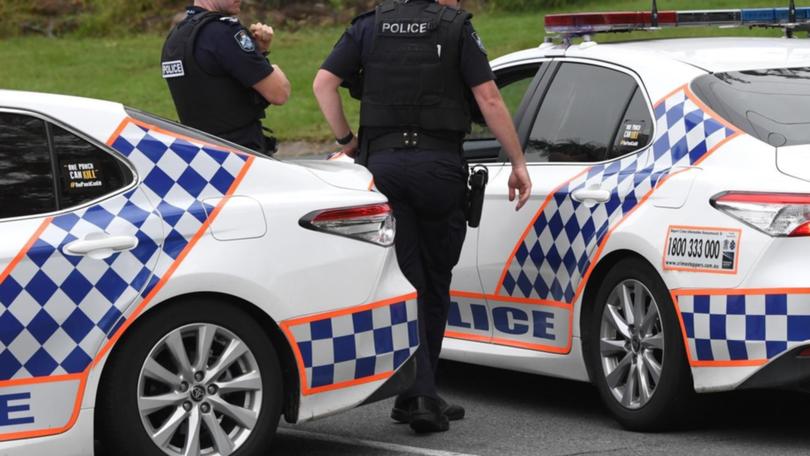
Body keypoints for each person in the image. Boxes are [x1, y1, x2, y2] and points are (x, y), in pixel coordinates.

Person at [313, 0, 532, 434]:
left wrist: (347, 140)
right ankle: (424, 397)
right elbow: (488, 97)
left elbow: (324, 84)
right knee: (434, 281)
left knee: (406, 280)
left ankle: (416, 391)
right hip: (437, 169)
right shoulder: (456, 29)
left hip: (384, 168)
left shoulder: (370, 26)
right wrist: (518, 162)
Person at [161, 0, 291, 153]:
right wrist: (267, 63)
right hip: (242, 157)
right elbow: (279, 93)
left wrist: (258, 51)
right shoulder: (223, 32)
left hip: (200, 156)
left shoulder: (175, 37)